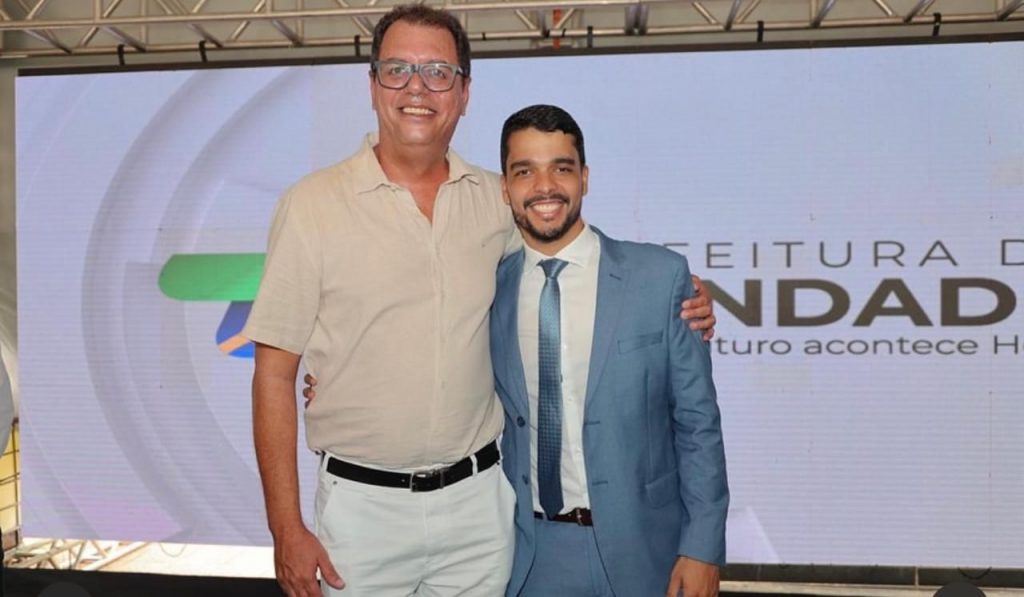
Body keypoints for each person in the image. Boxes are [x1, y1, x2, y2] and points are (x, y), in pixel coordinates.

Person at [245, 5, 716, 596]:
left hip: (479, 510)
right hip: (362, 514)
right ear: (372, 85)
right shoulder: (312, 206)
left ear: (464, 93)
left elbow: (575, 249)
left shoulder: (495, 203)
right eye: (397, 69)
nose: (417, 88)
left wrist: (685, 293)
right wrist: (285, 526)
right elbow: (273, 374)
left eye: (438, 72)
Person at [491, 105, 729, 597]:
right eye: (525, 171)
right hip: (529, 557)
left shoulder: (659, 277)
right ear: (505, 187)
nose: (545, 186)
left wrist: (703, 546)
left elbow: (697, 423)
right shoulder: (487, 291)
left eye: (561, 168)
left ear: (585, 177)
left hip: (647, 550)